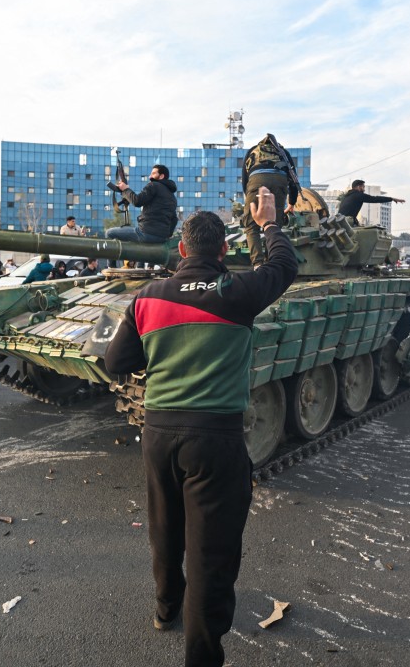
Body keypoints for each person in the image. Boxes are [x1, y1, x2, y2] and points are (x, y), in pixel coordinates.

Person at [105, 188, 298, 667]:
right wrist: (268, 222)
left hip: (159, 434)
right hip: (216, 440)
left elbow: (116, 363)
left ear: (182, 250)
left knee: (165, 529)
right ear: (224, 250)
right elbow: (283, 266)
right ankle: (202, 657)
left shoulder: (147, 298)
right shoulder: (238, 291)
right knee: (211, 556)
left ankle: (165, 608)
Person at [240, 133, 300, 267]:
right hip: (279, 181)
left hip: (256, 180)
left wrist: (250, 199)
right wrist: (291, 203)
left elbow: (245, 178)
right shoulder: (283, 153)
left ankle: (258, 264)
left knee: (250, 225)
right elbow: (293, 179)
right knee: (273, 223)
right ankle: (272, 261)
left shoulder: (253, 151)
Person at [106, 164, 179, 244]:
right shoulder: (172, 197)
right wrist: (166, 236)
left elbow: (137, 201)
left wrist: (125, 189)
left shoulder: (153, 185)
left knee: (110, 233)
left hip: (146, 233)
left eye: (153, 173)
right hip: (161, 238)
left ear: (161, 176)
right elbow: (174, 220)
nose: (150, 176)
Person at [336, 179, 405, 225]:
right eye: (363, 187)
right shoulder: (358, 195)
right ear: (358, 187)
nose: (364, 189)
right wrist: (391, 199)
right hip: (347, 223)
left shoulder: (347, 196)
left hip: (341, 221)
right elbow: (375, 199)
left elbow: (349, 212)